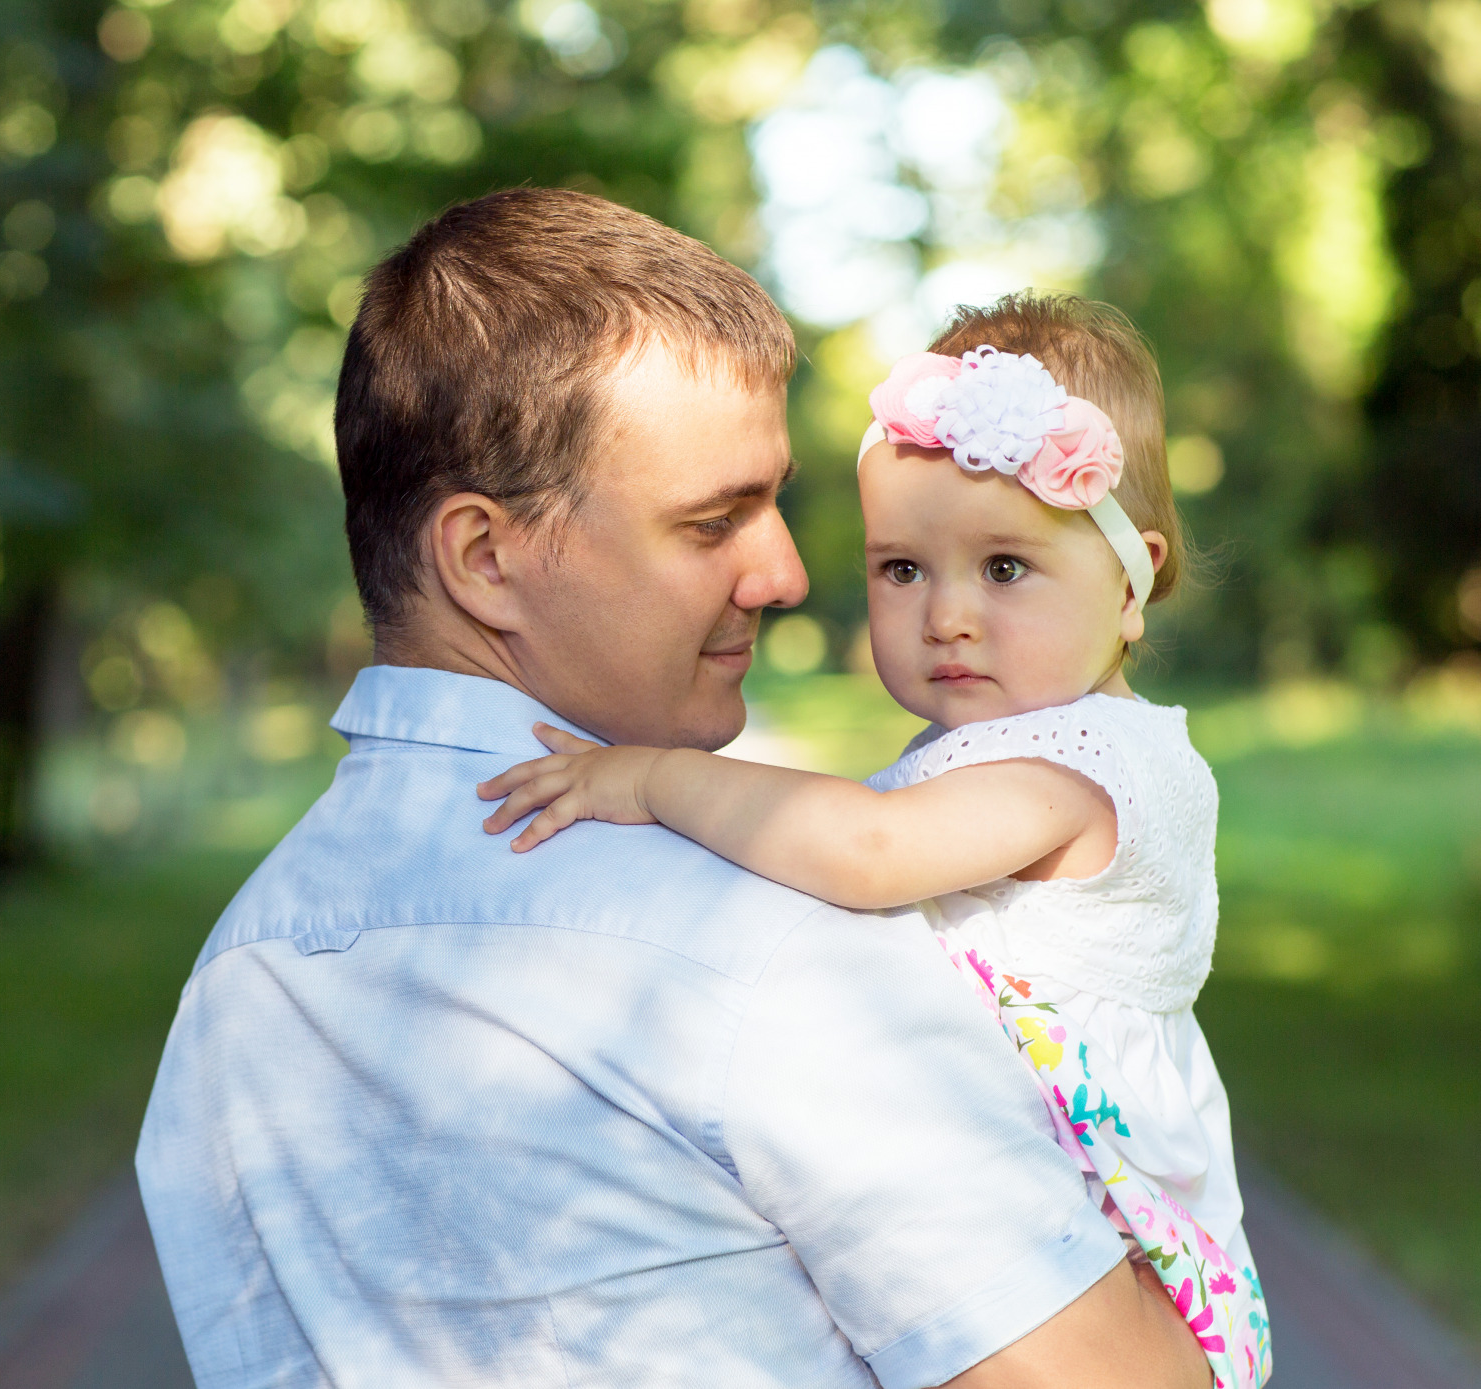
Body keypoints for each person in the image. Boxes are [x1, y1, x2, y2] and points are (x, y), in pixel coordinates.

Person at [136, 191, 1209, 1388]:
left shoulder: (235, 985)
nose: (788, 574)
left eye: (776, 504)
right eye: (713, 524)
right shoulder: (772, 948)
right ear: (485, 559)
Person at [479, 294, 1270, 1385]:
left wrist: (659, 780)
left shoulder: (1084, 765)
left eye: (1004, 569)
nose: (947, 615)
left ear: (1130, 583)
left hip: (1111, 1254)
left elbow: (864, 854)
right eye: (904, 569)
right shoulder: (1015, 743)